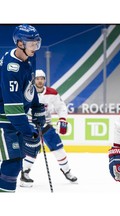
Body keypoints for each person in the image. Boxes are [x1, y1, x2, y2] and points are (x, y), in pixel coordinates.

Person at [0, 24, 46, 192]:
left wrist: (36, 106)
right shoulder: (12, 67)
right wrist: (28, 132)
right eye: (31, 43)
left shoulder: (28, 57)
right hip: (4, 118)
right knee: (12, 162)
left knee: (16, 160)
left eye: (37, 43)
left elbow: (29, 86)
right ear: (20, 43)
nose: (35, 47)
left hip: (13, 119)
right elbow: (12, 109)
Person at [20, 69, 77, 187]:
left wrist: (62, 119)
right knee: (32, 150)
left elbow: (61, 107)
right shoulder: (27, 92)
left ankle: (67, 171)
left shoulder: (52, 93)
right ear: (33, 80)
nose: (39, 81)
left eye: (42, 78)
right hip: (30, 125)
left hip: (45, 124)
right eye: (37, 78)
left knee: (58, 147)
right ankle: (25, 174)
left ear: (44, 80)